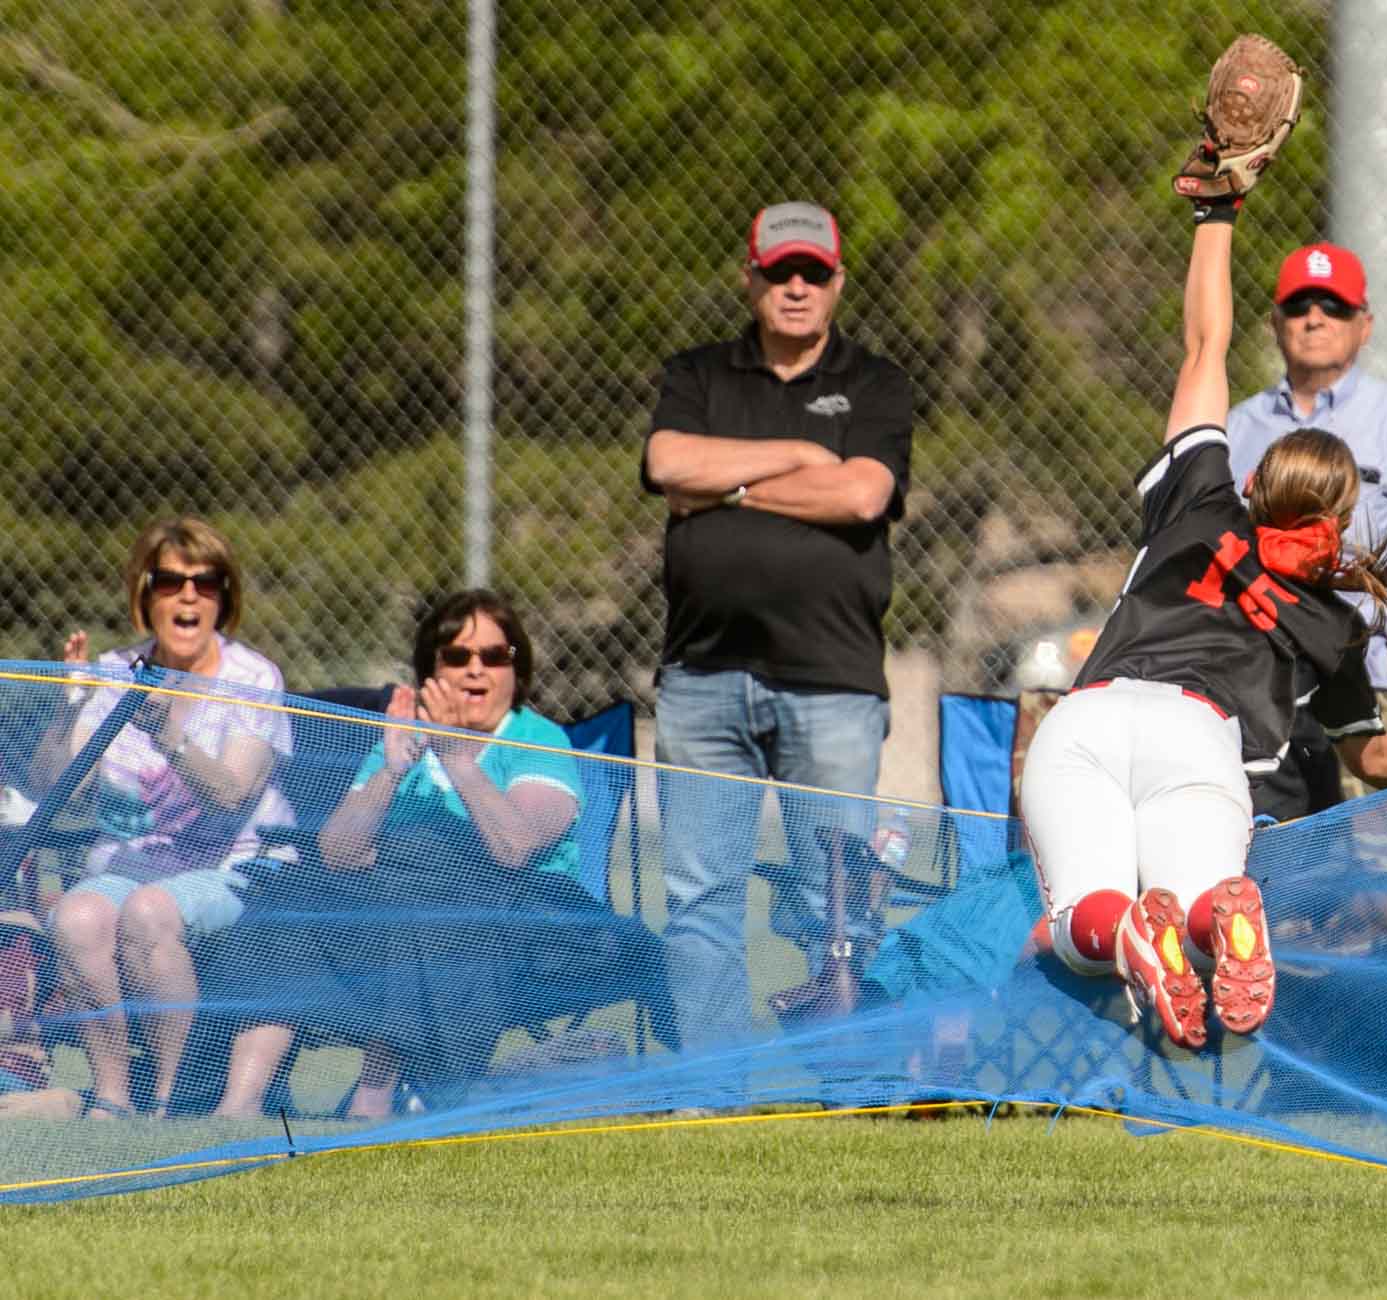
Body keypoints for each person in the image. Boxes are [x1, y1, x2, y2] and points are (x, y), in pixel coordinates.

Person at [1019, 129, 1387, 1051]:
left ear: (1255, 480)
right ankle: (1211, 921)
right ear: (1343, 513)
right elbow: (1370, 758)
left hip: (1095, 716)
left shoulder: (1199, 499)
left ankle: (1126, 932)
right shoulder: (1332, 622)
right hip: (1204, 744)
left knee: (1091, 922)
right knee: (1200, 902)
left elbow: (1205, 343)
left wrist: (1216, 212)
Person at [641, 201, 914, 1048]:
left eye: (813, 273)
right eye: (779, 272)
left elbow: (864, 493)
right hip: (701, 679)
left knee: (831, 901)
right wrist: (800, 458)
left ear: (837, 282)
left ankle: (833, 1086)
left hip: (830, 683)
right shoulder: (697, 375)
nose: (795, 288)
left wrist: (724, 486)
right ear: (750, 277)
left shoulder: (875, 382)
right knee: (698, 898)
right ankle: (712, 1093)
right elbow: (664, 464)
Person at [208, 590, 596, 1118]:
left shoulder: (535, 738)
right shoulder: (403, 738)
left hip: (523, 920)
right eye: (457, 657)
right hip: (397, 916)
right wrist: (390, 770)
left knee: (421, 909)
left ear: (516, 665)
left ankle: (375, 1094)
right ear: (431, 671)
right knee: (289, 913)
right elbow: (339, 853)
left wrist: (457, 758)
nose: (475, 670)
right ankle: (240, 1102)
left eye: (493, 656)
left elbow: (516, 846)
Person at [32, 518, 294, 1119]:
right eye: (170, 581)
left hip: (238, 862)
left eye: (206, 583)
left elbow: (232, 795)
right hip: (135, 860)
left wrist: (167, 731)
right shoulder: (117, 672)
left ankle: (174, 1096)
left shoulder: (252, 679)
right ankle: (113, 1094)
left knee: (150, 910)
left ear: (224, 598)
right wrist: (70, 703)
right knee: (77, 915)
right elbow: (57, 788)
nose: (188, 596)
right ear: (143, 593)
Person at [1226, 243, 1387, 821]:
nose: (1315, 318)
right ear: (1275, 321)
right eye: (1299, 305)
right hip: (1265, 694)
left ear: (1364, 325)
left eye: (1334, 306)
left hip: (1373, 688)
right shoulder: (1236, 428)